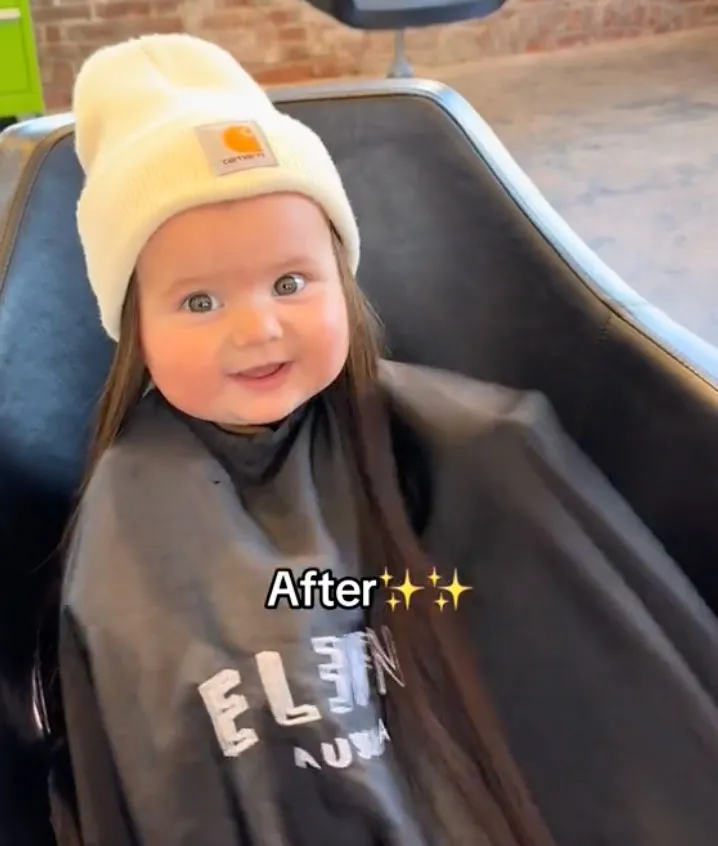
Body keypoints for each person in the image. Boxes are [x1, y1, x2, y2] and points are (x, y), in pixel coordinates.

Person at [58, 33, 718, 846]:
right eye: (199, 301)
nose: (258, 328)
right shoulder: (132, 524)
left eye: (290, 281)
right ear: (135, 330)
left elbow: (597, 691)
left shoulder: (481, 446)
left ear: (343, 277)